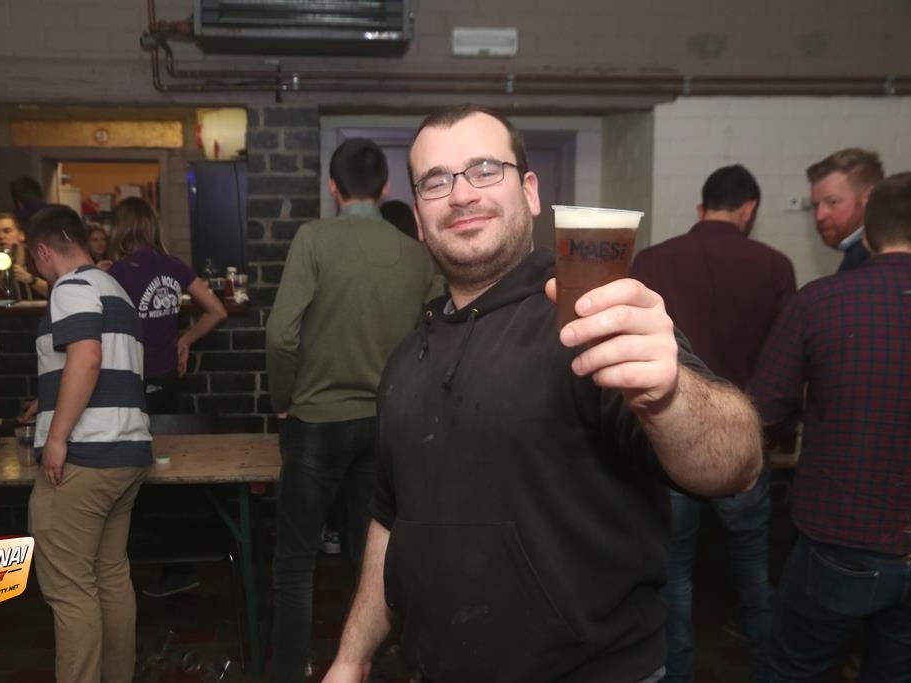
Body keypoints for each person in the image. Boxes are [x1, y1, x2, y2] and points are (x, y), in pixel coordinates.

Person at [321, 105, 763, 683]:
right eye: (435, 181)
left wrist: (670, 396)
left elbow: (736, 464)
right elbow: (390, 520)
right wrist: (351, 657)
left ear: (529, 192)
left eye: (485, 169)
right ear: (420, 219)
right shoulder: (408, 359)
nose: (461, 194)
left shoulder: (589, 319)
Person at [266, 137, 440, 682]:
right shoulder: (416, 253)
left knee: (295, 561)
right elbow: (433, 342)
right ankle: (365, 665)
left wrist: (282, 401)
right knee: (370, 563)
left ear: (332, 187)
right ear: (386, 188)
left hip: (317, 421)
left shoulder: (314, 239)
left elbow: (280, 336)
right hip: (386, 424)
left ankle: (289, 673)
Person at [629, 164, 796, 682]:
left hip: (672, 436)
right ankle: (768, 672)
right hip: (740, 438)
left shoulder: (653, 259)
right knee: (753, 570)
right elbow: (785, 362)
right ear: (748, 209)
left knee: (674, 576)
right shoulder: (775, 266)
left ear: (701, 208)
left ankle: (677, 675)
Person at [749, 171, 911, 682]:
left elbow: (763, 410)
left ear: (868, 233)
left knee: (795, 670)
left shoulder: (822, 300)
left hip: (841, 533)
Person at [26, 204, 153, 683]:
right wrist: (48, 399)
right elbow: (103, 364)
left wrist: (57, 436)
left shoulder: (70, 286)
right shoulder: (114, 288)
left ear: (43, 251)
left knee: (71, 591)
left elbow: (88, 357)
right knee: (110, 578)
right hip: (127, 453)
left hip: (85, 456)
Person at [108, 196, 227, 416]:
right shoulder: (174, 265)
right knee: (168, 433)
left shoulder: (119, 271)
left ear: (119, 229)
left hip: (133, 373)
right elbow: (217, 311)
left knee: (137, 435)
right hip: (168, 371)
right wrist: (185, 340)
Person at [806, 147, 884, 272]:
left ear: (869, 197)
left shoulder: (871, 262)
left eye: (832, 202)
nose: (819, 216)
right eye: (815, 205)